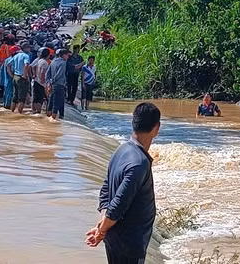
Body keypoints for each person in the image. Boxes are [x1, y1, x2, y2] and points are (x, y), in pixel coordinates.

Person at [86, 102, 160, 264]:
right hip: (129, 244)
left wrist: (102, 223)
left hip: (116, 239)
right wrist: (101, 230)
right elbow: (119, 203)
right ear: (156, 129)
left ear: (133, 123)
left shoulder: (121, 150)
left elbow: (105, 190)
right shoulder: (139, 163)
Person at [46, 48, 69, 120]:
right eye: (67, 55)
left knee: (50, 103)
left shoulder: (53, 61)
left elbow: (47, 73)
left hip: (52, 85)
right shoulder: (63, 63)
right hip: (59, 85)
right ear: (64, 55)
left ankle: (47, 120)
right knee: (56, 104)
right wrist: (53, 81)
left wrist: (49, 83)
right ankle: (52, 122)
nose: (68, 57)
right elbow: (59, 74)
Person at [9, 42, 32, 114]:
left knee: (15, 96)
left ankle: (12, 112)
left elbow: (8, 65)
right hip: (22, 78)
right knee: (22, 98)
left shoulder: (16, 55)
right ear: (25, 48)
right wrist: (25, 75)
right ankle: (19, 114)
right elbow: (26, 65)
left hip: (15, 76)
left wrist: (11, 75)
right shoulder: (26, 56)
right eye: (28, 47)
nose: (29, 49)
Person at [30, 47, 50, 115]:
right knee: (40, 99)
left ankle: (33, 111)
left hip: (36, 81)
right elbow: (42, 73)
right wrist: (43, 81)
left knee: (35, 98)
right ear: (48, 55)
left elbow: (33, 67)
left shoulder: (39, 60)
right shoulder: (45, 63)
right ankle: (38, 113)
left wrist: (34, 75)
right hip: (41, 83)